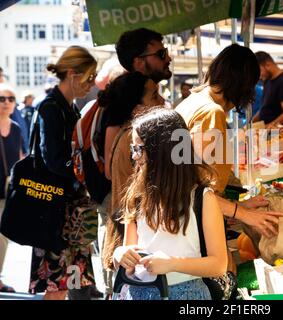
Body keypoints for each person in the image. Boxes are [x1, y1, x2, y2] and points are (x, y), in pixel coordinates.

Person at [113, 108, 227, 300]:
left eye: (139, 149)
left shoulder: (202, 197)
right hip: (138, 291)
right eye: (133, 149)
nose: (133, 156)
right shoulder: (137, 195)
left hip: (188, 293)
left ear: (162, 152)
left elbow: (219, 264)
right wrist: (120, 254)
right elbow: (128, 257)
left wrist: (173, 263)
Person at [176, 44, 283, 240]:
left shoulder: (191, 103)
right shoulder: (211, 112)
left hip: (188, 218)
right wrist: (243, 214)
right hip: (194, 226)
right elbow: (197, 190)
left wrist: (240, 206)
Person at [28, 46, 97, 300]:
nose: (91, 84)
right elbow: (54, 160)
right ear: (72, 74)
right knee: (58, 288)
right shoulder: (51, 108)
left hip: (72, 212)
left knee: (69, 284)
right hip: (57, 211)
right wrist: (84, 170)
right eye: (89, 77)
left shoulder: (69, 108)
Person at [100, 72, 164, 299]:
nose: (163, 101)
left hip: (124, 234)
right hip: (131, 240)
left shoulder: (124, 133)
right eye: (154, 96)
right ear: (137, 109)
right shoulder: (134, 139)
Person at [0, 83, 24, 293]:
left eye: (10, 99)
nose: (6, 103)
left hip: (6, 190)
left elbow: (17, 159)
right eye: (2, 99)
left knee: (2, 237)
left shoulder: (15, 127)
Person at [252, 51, 283, 127]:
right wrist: (251, 123)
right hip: (269, 132)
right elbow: (265, 107)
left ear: (267, 64)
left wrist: (268, 127)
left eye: (259, 71)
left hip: (280, 134)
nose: (259, 76)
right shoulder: (267, 81)